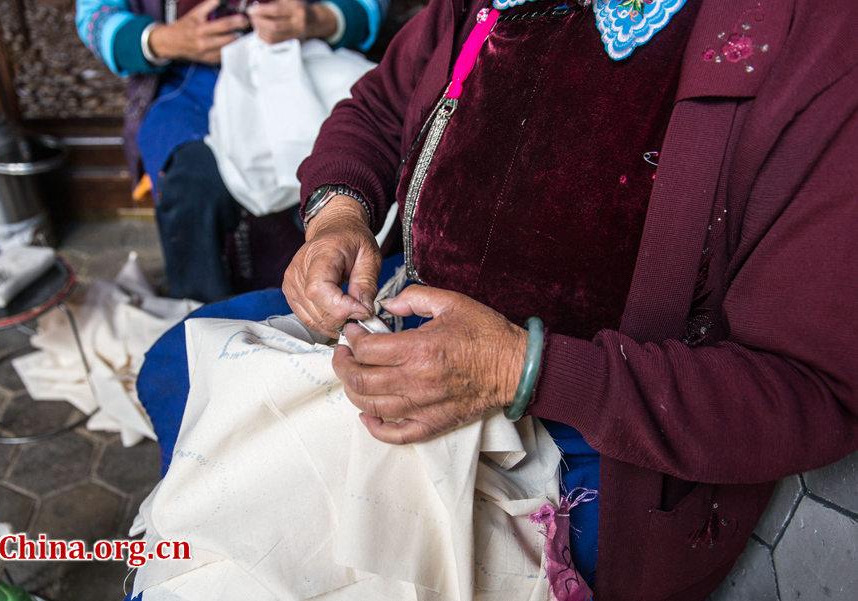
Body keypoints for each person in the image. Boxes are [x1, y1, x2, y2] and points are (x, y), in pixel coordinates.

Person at [136, 0, 857, 598]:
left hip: (604, 431)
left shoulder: (809, 39)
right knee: (180, 364)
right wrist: (338, 211)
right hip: (410, 312)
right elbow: (382, 104)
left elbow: (812, 392)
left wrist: (525, 368)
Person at [76, 0, 389, 302]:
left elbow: (368, 7)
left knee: (336, 168)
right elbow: (95, 18)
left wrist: (318, 18)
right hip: (187, 81)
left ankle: (342, 309)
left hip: (303, 61)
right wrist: (162, 40)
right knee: (192, 184)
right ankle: (203, 323)